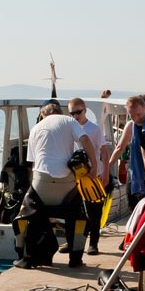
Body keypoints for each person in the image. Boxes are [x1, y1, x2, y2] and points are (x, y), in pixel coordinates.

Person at [21, 103, 99, 268]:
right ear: (59, 112)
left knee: (29, 212)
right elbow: (85, 140)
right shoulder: (69, 121)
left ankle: (29, 257)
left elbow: (33, 164)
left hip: (41, 181)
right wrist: (94, 166)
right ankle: (75, 259)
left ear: (44, 115)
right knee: (76, 216)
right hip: (66, 182)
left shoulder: (35, 128)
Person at [67, 97, 109, 255]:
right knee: (74, 211)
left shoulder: (94, 129)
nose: (75, 115)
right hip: (76, 176)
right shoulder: (69, 128)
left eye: (78, 112)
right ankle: (72, 242)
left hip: (93, 174)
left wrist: (105, 173)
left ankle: (94, 243)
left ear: (84, 111)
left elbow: (103, 151)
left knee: (94, 211)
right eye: (72, 113)